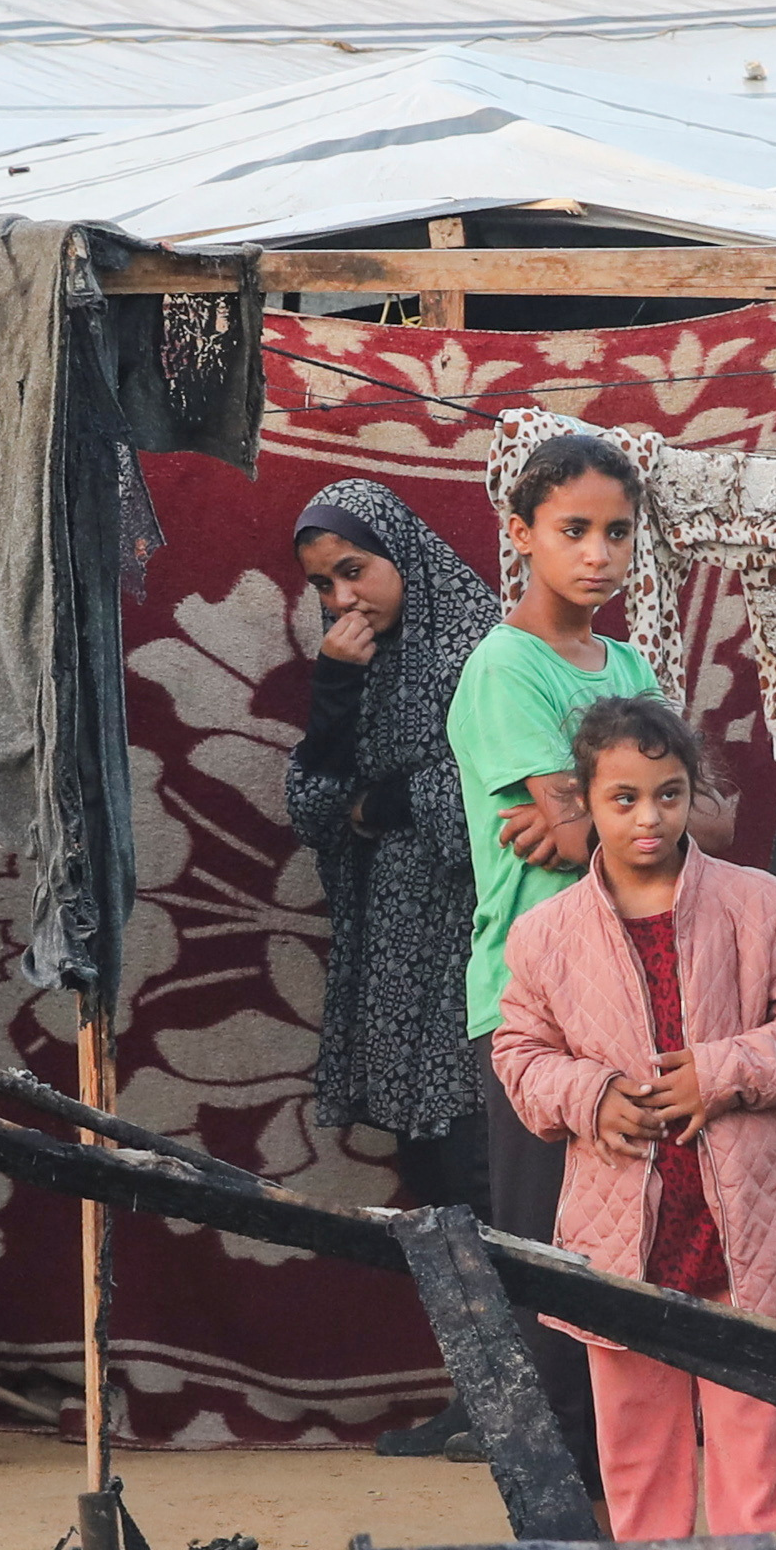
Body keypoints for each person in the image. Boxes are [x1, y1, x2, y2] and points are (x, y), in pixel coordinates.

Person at [493, 697, 776, 1538]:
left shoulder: (761, 904)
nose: (648, 817)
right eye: (623, 798)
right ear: (584, 801)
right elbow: (519, 1054)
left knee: (759, 1458)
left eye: (668, 794)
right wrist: (591, 1095)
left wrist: (720, 1073)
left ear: (693, 792)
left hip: (751, 1233)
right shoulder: (545, 935)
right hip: (622, 1237)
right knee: (636, 1460)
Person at [445, 429, 728, 1449]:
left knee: (641, 1243)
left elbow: (709, 821)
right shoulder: (504, 668)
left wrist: (591, 817)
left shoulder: (629, 664)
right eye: (573, 530)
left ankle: (632, 1485)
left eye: (617, 532)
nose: (598, 553)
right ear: (520, 533)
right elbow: (629, 830)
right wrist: (628, 821)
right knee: (552, 1257)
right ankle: (565, 1498)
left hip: (644, 989)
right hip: (538, 1001)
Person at [278, 478, 502, 1202]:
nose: (342, 600)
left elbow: (495, 799)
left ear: (401, 554)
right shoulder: (361, 660)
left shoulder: (487, 650)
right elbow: (313, 812)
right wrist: (335, 689)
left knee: (476, 1158)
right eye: (323, 584)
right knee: (429, 1174)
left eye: (353, 571)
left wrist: (378, 803)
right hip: (395, 952)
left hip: (471, 941)